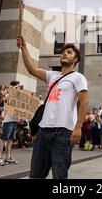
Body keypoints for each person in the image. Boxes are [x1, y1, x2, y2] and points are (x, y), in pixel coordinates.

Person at [18, 36, 89, 179]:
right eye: (63, 52)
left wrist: (78, 127)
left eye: (69, 52)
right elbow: (31, 69)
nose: (64, 53)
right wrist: (24, 47)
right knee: (36, 175)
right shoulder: (52, 75)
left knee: (59, 176)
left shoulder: (78, 77)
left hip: (63, 133)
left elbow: (84, 102)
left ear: (75, 59)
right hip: (43, 132)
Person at [0, 81, 20, 166]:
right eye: (16, 87)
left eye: (19, 87)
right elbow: (7, 102)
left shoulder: (17, 97)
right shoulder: (8, 96)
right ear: (12, 87)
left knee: (10, 140)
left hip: (14, 120)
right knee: (3, 139)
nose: (18, 89)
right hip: (7, 121)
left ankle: (8, 157)